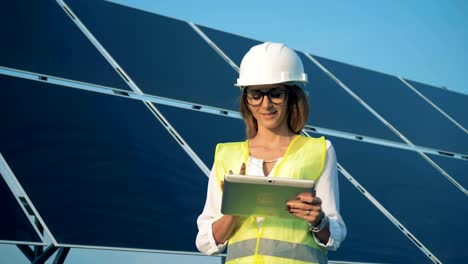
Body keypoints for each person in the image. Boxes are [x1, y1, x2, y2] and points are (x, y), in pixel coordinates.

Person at [196, 42, 346, 264]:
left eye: (276, 94)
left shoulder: (320, 151)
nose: (265, 105)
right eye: (256, 94)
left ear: (293, 96)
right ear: (246, 98)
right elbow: (205, 243)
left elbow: (335, 236)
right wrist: (234, 211)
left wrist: (319, 221)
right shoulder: (226, 156)